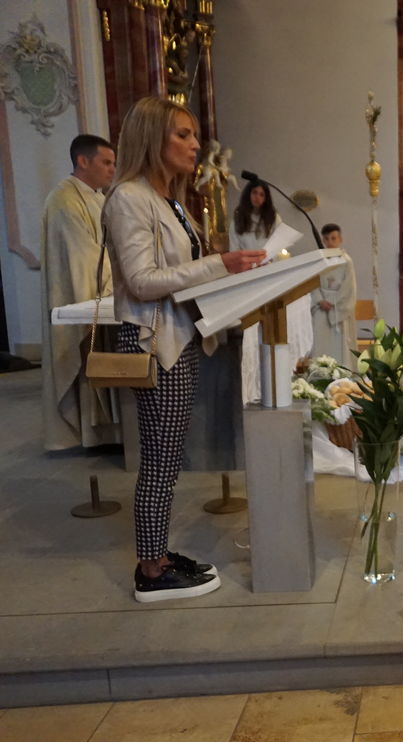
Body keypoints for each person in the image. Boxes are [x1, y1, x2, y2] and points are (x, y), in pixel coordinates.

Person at [103, 96, 264, 602]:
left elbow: (182, 269)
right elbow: (142, 281)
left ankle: (159, 554)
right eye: (183, 134)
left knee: (168, 456)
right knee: (160, 458)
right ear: (152, 137)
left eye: (194, 135)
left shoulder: (168, 198)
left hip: (179, 337)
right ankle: (151, 570)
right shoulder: (129, 197)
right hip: (154, 342)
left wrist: (226, 272)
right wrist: (220, 265)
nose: (196, 145)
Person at [41, 133, 121, 451]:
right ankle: (92, 435)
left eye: (114, 163)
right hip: (80, 293)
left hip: (105, 290)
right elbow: (83, 260)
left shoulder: (98, 198)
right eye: (106, 162)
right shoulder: (63, 200)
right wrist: (126, 272)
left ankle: (110, 432)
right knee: (87, 359)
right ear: (83, 161)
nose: (112, 169)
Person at [230, 180, 313, 403]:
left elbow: (280, 246)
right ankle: (253, 383)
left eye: (262, 194)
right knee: (252, 332)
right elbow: (234, 248)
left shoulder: (273, 218)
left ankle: (274, 378)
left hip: (269, 272)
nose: (258, 197)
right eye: (254, 193)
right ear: (248, 195)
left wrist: (270, 260)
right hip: (247, 276)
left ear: (266, 198)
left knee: (271, 325)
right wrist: (247, 264)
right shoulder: (238, 218)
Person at [311, 223, 358, 366]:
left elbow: (348, 287)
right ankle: (320, 372)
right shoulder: (319, 260)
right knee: (321, 343)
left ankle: (341, 372)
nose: (330, 242)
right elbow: (312, 283)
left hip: (338, 309)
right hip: (321, 309)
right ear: (323, 240)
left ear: (340, 239)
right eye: (327, 239)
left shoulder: (346, 261)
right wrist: (320, 300)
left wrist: (332, 302)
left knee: (340, 347)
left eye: (333, 238)